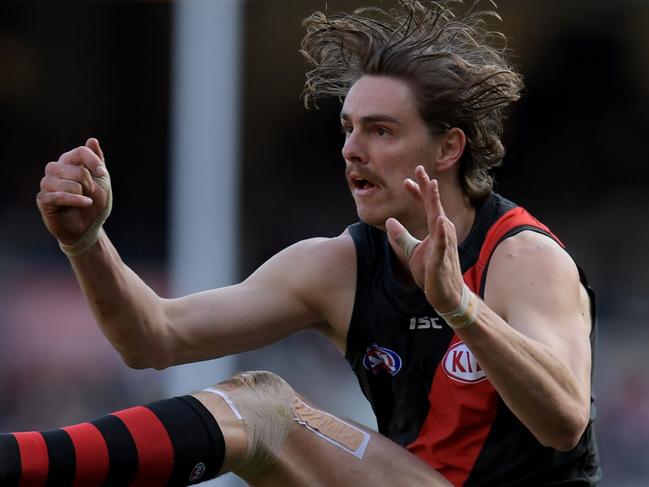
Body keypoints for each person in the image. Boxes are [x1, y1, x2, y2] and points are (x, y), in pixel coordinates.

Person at [1, 1, 600, 485]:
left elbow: (563, 423)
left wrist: (460, 308)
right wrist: (87, 244)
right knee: (258, 407)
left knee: (269, 411)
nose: (351, 149)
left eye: (380, 130)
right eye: (348, 129)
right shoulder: (340, 266)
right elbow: (153, 337)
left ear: (448, 149)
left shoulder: (523, 258)